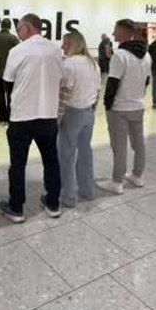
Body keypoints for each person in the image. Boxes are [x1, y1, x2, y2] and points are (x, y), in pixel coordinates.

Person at [0, 13, 63, 221]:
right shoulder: (56, 50)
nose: (18, 34)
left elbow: (8, 82)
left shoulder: (17, 50)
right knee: (51, 161)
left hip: (22, 118)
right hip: (48, 116)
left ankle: (16, 208)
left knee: (18, 165)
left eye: (19, 29)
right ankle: (53, 204)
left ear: (27, 28)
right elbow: (60, 78)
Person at [97, 18, 151, 194]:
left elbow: (112, 83)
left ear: (126, 32)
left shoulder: (120, 55)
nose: (113, 34)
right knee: (138, 143)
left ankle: (117, 182)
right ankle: (138, 176)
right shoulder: (147, 55)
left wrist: (107, 105)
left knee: (119, 146)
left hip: (119, 108)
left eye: (116, 30)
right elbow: (147, 80)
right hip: (138, 105)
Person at [57, 30, 100, 209]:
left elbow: (64, 94)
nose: (62, 47)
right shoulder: (93, 64)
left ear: (73, 44)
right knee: (85, 153)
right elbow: (98, 92)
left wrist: (58, 117)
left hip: (72, 113)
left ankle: (68, 196)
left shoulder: (68, 64)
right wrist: (92, 112)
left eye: (65, 43)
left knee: (66, 155)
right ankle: (87, 190)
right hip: (88, 114)